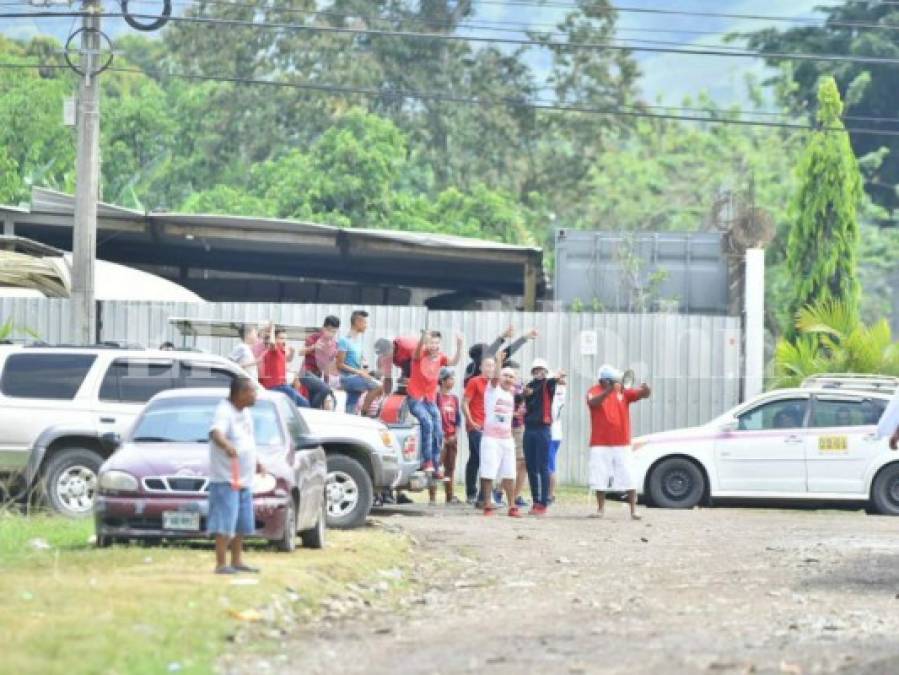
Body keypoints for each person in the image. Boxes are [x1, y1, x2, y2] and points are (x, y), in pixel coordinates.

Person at [208, 377, 264, 574]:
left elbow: (248, 440)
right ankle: (221, 564)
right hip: (226, 479)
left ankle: (237, 560)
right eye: (252, 392)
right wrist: (227, 446)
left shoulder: (245, 412)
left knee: (241, 523)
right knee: (225, 522)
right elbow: (216, 434)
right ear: (240, 394)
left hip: (244, 479)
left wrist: (257, 461)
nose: (255, 396)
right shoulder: (224, 411)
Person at [586, 364, 651, 520]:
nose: (618, 382)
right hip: (600, 442)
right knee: (599, 476)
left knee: (628, 475)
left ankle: (633, 510)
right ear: (604, 380)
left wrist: (646, 389)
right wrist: (609, 391)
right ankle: (600, 509)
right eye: (613, 379)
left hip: (622, 442)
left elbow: (643, 395)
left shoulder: (622, 391)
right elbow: (593, 403)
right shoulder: (593, 390)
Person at [407, 329, 463, 479]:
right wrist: (421, 339)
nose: (434, 345)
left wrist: (459, 346)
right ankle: (427, 461)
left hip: (429, 399)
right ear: (426, 343)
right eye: (431, 342)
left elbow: (454, 362)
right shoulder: (420, 354)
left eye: (437, 343)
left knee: (438, 428)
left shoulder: (440, 357)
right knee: (427, 423)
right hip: (416, 398)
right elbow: (417, 352)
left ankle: (436, 465)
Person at [479, 356, 522, 517]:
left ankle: (512, 506)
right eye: (505, 375)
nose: (508, 379)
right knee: (488, 472)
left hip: (507, 439)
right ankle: (487, 504)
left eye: (511, 377)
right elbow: (495, 378)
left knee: (510, 473)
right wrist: (498, 362)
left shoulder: (511, 395)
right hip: (491, 438)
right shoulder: (492, 389)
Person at [523, 358, 566, 515]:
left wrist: (557, 375)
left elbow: (552, 381)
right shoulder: (528, 386)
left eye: (542, 370)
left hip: (543, 429)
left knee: (543, 466)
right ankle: (536, 501)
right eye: (536, 370)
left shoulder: (548, 385)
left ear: (546, 372)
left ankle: (544, 502)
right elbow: (521, 400)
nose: (539, 372)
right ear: (533, 372)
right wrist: (523, 394)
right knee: (531, 466)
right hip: (529, 428)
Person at [462, 356, 495, 506]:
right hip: (476, 426)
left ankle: (472, 493)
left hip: (490, 428)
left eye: (492, 366)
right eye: (487, 365)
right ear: (481, 367)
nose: (490, 369)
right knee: (485, 458)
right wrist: (470, 421)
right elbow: (465, 403)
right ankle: (483, 497)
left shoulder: (495, 385)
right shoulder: (474, 381)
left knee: (475, 458)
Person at [337, 310, 383, 414]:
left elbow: (360, 359)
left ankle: (350, 423)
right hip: (348, 379)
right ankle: (364, 414)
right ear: (358, 322)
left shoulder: (358, 341)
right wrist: (359, 372)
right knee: (379, 386)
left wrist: (365, 366)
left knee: (351, 408)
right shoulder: (344, 341)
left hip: (356, 377)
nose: (366, 326)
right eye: (365, 322)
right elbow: (339, 364)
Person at [463, 325, 538, 386]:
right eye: (488, 353)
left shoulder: (487, 365)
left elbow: (507, 352)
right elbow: (491, 353)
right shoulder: (472, 368)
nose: (491, 356)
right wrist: (503, 336)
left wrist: (524, 338)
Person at [431, 367, 462, 505]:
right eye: (450, 378)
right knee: (436, 466)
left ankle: (449, 496)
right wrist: (440, 436)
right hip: (440, 438)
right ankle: (432, 497)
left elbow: (458, 419)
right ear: (442, 381)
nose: (452, 381)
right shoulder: (436, 397)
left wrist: (455, 434)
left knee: (451, 467)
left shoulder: (454, 398)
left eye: (453, 378)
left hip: (452, 437)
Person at [259, 328, 310, 408]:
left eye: (285, 338)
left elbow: (289, 359)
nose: (284, 341)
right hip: (275, 386)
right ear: (275, 339)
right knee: (292, 401)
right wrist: (273, 328)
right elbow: (272, 343)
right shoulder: (273, 350)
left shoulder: (281, 351)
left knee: (305, 403)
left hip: (283, 385)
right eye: (281, 338)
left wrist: (292, 352)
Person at [549, 382, 566, 504]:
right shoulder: (561, 392)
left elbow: (553, 414)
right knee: (550, 464)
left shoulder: (554, 395)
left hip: (551, 433)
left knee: (549, 465)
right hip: (556, 433)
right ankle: (549, 493)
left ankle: (550, 494)